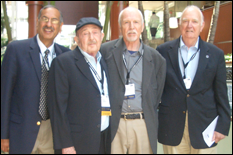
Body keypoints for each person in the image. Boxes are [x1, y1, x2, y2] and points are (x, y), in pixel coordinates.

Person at [156, 5, 231, 154]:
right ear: (180, 24)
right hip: (172, 127)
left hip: (205, 128)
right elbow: (156, 89)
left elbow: (221, 94)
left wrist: (223, 126)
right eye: (185, 21)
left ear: (202, 25)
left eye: (194, 21)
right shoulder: (163, 51)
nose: (189, 25)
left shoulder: (216, 54)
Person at [1, 5, 69, 154]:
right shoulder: (16, 50)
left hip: (53, 133)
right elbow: (4, 95)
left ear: (60, 26)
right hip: (21, 132)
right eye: (45, 19)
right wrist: (3, 135)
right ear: (37, 22)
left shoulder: (66, 55)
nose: (49, 24)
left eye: (54, 20)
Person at [101, 7, 166, 154]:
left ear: (142, 27)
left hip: (142, 125)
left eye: (136, 22)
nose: (131, 27)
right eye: (126, 22)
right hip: (114, 124)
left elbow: (157, 95)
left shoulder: (156, 59)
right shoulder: (105, 52)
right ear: (120, 26)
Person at [48, 17, 111, 154]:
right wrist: (66, 144)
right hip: (77, 143)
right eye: (85, 33)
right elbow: (58, 108)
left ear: (102, 36)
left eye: (95, 33)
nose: (91, 38)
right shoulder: (63, 63)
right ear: (76, 39)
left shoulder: (103, 61)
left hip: (103, 137)